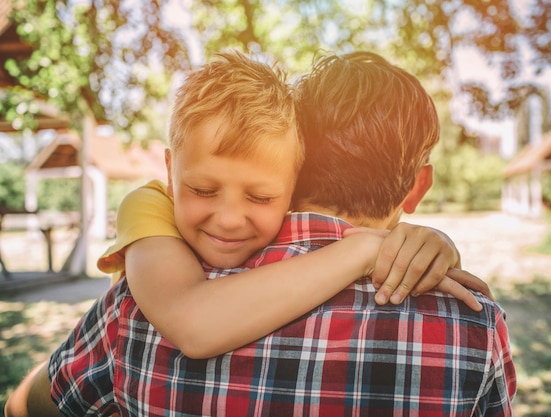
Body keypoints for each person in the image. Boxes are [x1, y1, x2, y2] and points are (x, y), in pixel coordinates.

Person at [5, 51, 515, 417]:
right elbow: (195, 323)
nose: (228, 219)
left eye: (257, 196)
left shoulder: (134, 306)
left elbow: (26, 406)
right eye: (204, 189)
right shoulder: (473, 324)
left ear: (298, 171)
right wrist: (370, 247)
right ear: (418, 187)